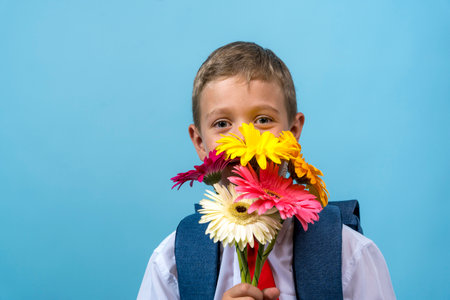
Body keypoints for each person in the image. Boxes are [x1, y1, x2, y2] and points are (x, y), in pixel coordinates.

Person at [137, 42, 396, 300]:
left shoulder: (349, 255)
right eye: (222, 123)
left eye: (262, 120)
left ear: (293, 133)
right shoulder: (171, 262)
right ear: (200, 143)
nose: (243, 139)